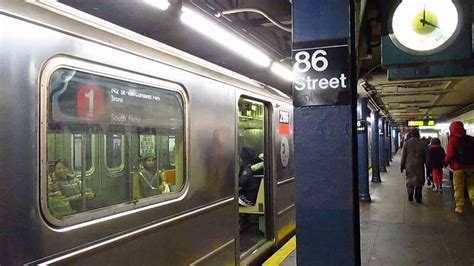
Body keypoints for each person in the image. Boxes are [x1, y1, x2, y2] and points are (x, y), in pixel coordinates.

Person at [444, 121, 474, 213]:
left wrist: (445, 162)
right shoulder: (471, 139)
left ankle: (459, 206)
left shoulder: (453, 140)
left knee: (458, 187)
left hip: (458, 168)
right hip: (471, 167)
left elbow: (450, 154)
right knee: (472, 185)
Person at [401, 129, 427, 203]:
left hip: (409, 165)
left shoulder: (407, 143)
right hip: (420, 164)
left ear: (411, 135)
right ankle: (418, 197)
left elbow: (404, 156)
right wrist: (427, 164)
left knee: (410, 180)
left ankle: (410, 194)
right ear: (418, 134)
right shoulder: (423, 143)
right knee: (419, 180)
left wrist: (402, 165)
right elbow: (426, 156)